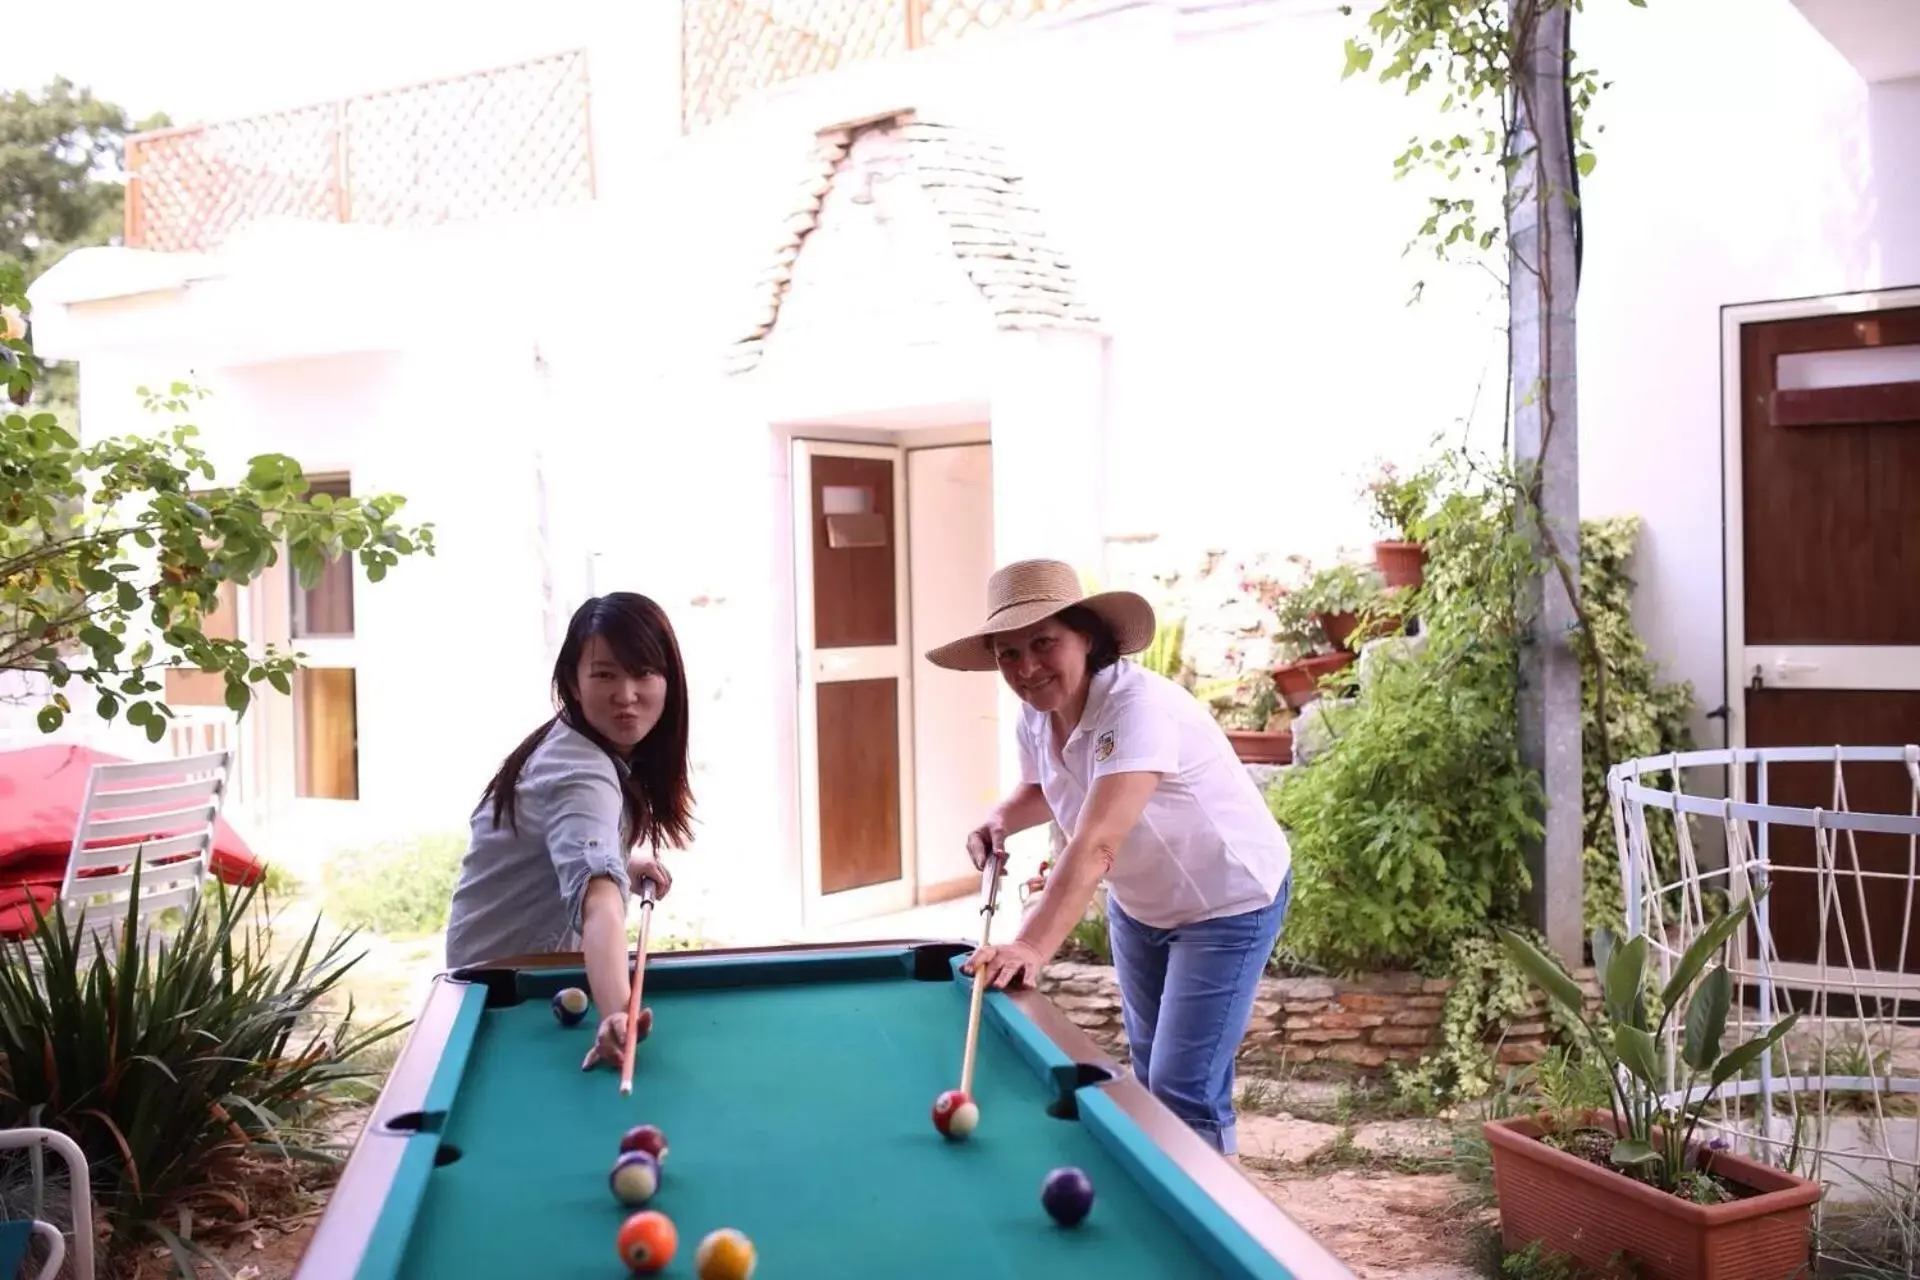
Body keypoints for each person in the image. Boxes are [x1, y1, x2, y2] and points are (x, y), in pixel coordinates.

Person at [927, 558, 1292, 1159]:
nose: (1027, 668)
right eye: (1008, 654)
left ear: (1087, 638)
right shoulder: (1036, 713)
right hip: (1142, 904)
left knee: (1183, 1088)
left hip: (1227, 900)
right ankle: (1172, 1203)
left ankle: (1214, 1233)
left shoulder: (1135, 708)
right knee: (1151, 1077)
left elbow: (1097, 841)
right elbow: (1047, 787)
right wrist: (998, 819)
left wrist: (1028, 947)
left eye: (1043, 643)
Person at [445, 592, 695, 1075]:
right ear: (573, 684)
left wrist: (623, 860)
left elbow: (572, 849)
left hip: (507, 978)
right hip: (501, 996)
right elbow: (599, 904)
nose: (626, 694)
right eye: (605, 674)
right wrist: (619, 1014)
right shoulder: (580, 773)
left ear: (669, 682)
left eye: (643, 672)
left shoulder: (577, 740)